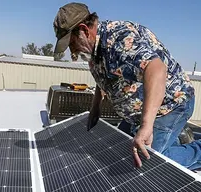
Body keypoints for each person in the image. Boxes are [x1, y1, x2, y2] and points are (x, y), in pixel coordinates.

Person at [53, 2, 201, 170]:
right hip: (138, 112)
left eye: (72, 43)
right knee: (118, 151)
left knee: (150, 164)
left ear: (84, 30)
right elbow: (103, 77)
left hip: (170, 105)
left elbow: (156, 69)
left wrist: (146, 126)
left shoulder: (120, 40)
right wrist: (95, 108)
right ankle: (174, 137)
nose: (72, 50)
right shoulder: (94, 49)